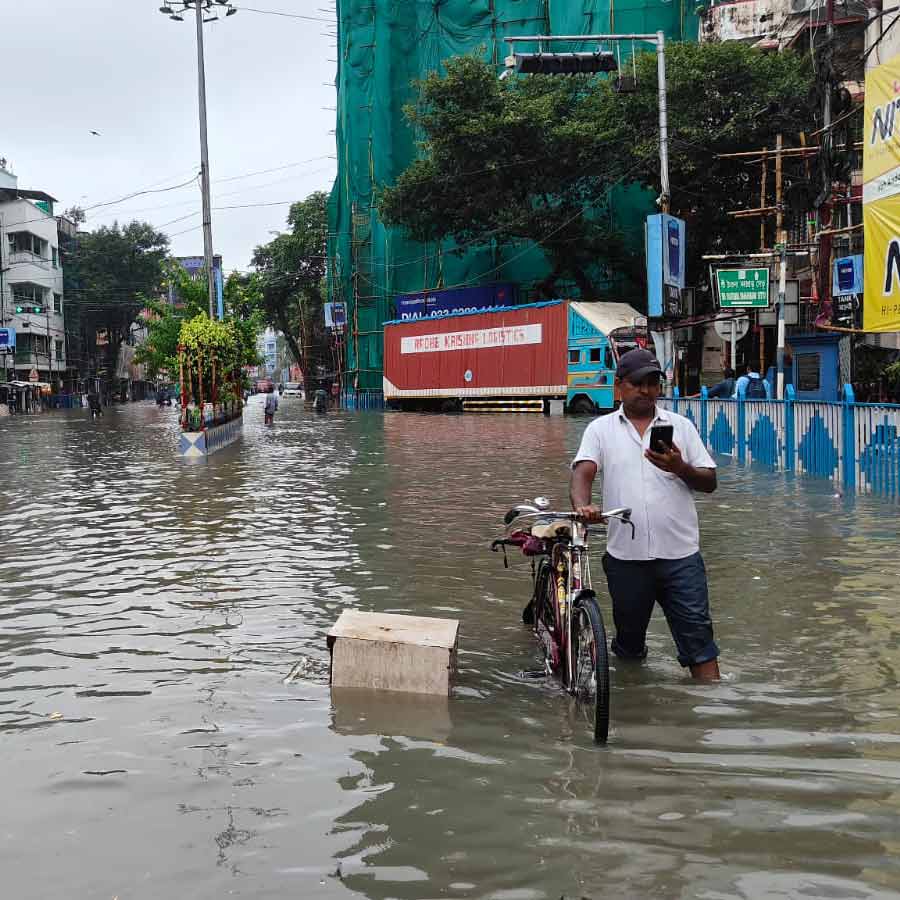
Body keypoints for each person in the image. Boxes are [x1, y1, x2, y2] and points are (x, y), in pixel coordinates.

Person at [570, 348, 721, 681]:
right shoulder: (600, 430)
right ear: (619, 386)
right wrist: (583, 506)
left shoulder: (680, 426)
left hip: (681, 558)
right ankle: (633, 707)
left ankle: (712, 716)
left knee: (700, 645)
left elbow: (709, 481)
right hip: (627, 559)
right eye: (638, 383)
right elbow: (583, 472)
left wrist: (680, 467)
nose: (646, 390)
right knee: (629, 646)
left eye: (653, 382)